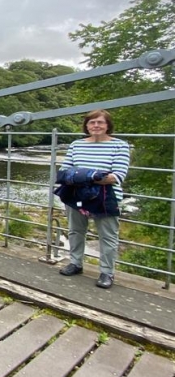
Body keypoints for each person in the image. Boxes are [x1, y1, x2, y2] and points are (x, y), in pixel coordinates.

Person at [56, 109, 130, 289]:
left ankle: (106, 272)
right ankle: (75, 263)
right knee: (75, 231)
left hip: (106, 197)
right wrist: (93, 176)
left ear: (107, 126)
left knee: (108, 236)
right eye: (92, 122)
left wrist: (81, 176)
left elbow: (116, 176)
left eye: (100, 122)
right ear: (86, 126)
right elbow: (65, 172)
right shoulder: (76, 144)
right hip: (76, 195)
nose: (96, 126)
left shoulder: (120, 145)